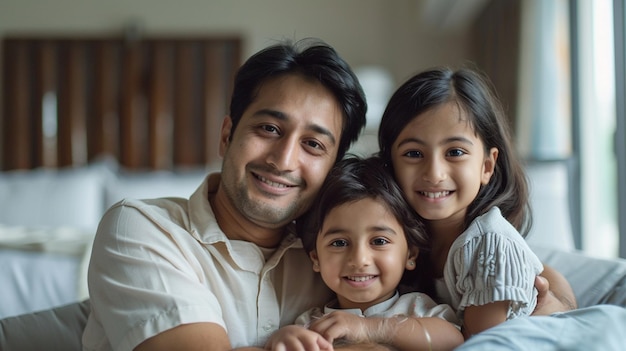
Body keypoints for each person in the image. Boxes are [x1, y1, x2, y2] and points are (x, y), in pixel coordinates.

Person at [82, 38, 384, 351]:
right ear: (227, 136)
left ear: (333, 168)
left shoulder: (338, 252)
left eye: (313, 144)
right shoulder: (143, 229)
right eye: (269, 129)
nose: (283, 161)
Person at [377, 67, 626, 349]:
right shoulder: (394, 241)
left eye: (455, 152)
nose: (434, 173)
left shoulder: (489, 243)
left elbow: (485, 345)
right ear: (389, 164)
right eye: (413, 153)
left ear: (487, 166)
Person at [266, 156, 464, 351]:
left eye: (379, 241)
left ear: (410, 254)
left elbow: (453, 341)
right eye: (340, 243)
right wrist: (282, 338)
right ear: (316, 258)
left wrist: (369, 328)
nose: (359, 260)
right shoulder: (313, 324)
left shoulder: (416, 309)